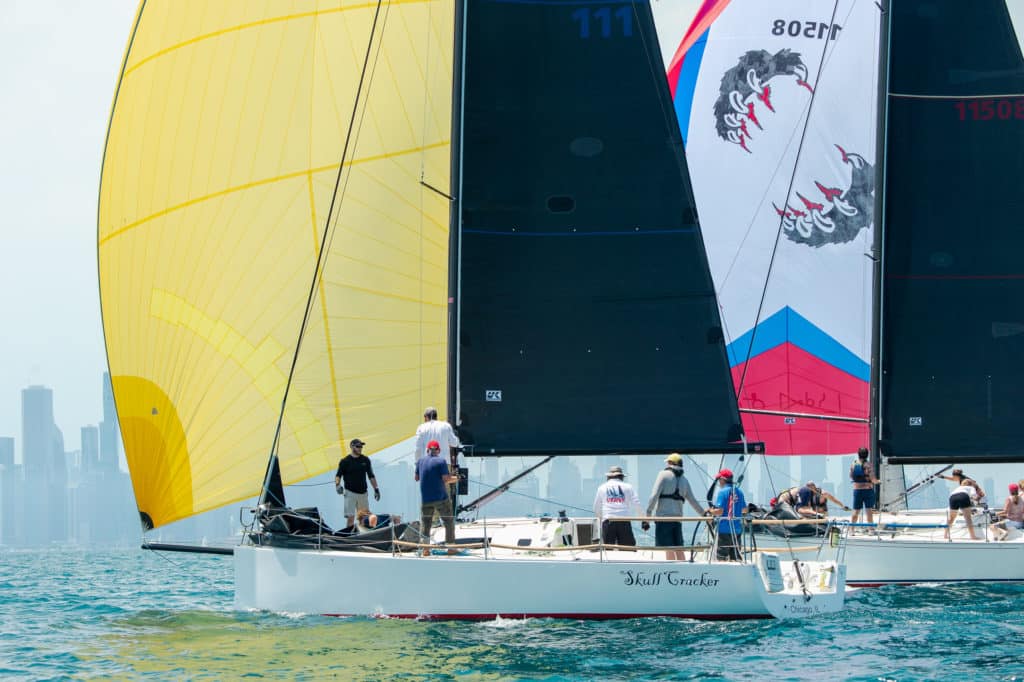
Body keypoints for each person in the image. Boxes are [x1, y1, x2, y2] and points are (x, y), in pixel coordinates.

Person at [644, 453, 705, 559]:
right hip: (677, 520)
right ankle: (685, 571)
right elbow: (693, 501)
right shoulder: (684, 480)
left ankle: (673, 573)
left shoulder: (663, 474)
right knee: (679, 549)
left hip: (664, 519)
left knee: (669, 549)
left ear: (670, 463)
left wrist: (647, 517)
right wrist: (704, 514)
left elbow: (654, 496)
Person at [414, 439, 459, 556]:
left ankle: (425, 549)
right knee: (448, 521)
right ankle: (451, 547)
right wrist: (458, 478)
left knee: (426, 523)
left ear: (427, 450)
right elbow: (446, 479)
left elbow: (417, 478)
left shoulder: (420, 461)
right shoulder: (441, 461)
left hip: (425, 500)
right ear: (438, 450)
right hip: (440, 498)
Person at [334, 438, 380, 529]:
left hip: (363, 493)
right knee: (351, 517)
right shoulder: (345, 461)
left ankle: (363, 536)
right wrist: (337, 485)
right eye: (358, 446)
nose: (360, 448)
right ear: (352, 447)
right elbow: (338, 475)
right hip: (350, 493)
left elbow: (371, 475)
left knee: (364, 518)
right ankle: (349, 537)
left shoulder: (365, 460)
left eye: (361, 446)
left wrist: (376, 489)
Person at [593, 465, 643, 547]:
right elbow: (637, 504)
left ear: (608, 477)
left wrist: (602, 518)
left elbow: (596, 507)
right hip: (624, 520)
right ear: (621, 477)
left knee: (607, 550)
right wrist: (643, 520)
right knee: (628, 549)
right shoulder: (628, 487)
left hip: (608, 520)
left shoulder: (602, 487)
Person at [709, 469, 747, 561]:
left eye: (719, 480)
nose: (719, 482)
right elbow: (744, 510)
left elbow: (720, 511)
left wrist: (710, 511)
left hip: (724, 530)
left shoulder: (722, 492)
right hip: (737, 530)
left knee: (721, 557)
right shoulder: (739, 492)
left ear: (722, 479)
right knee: (736, 557)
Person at [940, 469, 984, 540]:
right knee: (968, 518)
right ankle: (973, 536)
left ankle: (945, 535)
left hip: (952, 497)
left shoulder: (959, 487)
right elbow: (974, 496)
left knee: (951, 518)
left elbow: (953, 479)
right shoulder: (970, 487)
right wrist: (978, 499)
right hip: (963, 496)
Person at [850, 447, 880, 526]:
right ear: (867, 455)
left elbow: (851, 476)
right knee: (869, 511)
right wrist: (878, 481)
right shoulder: (868, 465)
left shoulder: (853, 463)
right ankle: (870, 529)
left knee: (856, 511)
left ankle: (851, 529)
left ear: (858, 454)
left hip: (857, 490)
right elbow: (873, 479)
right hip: (867, 490)